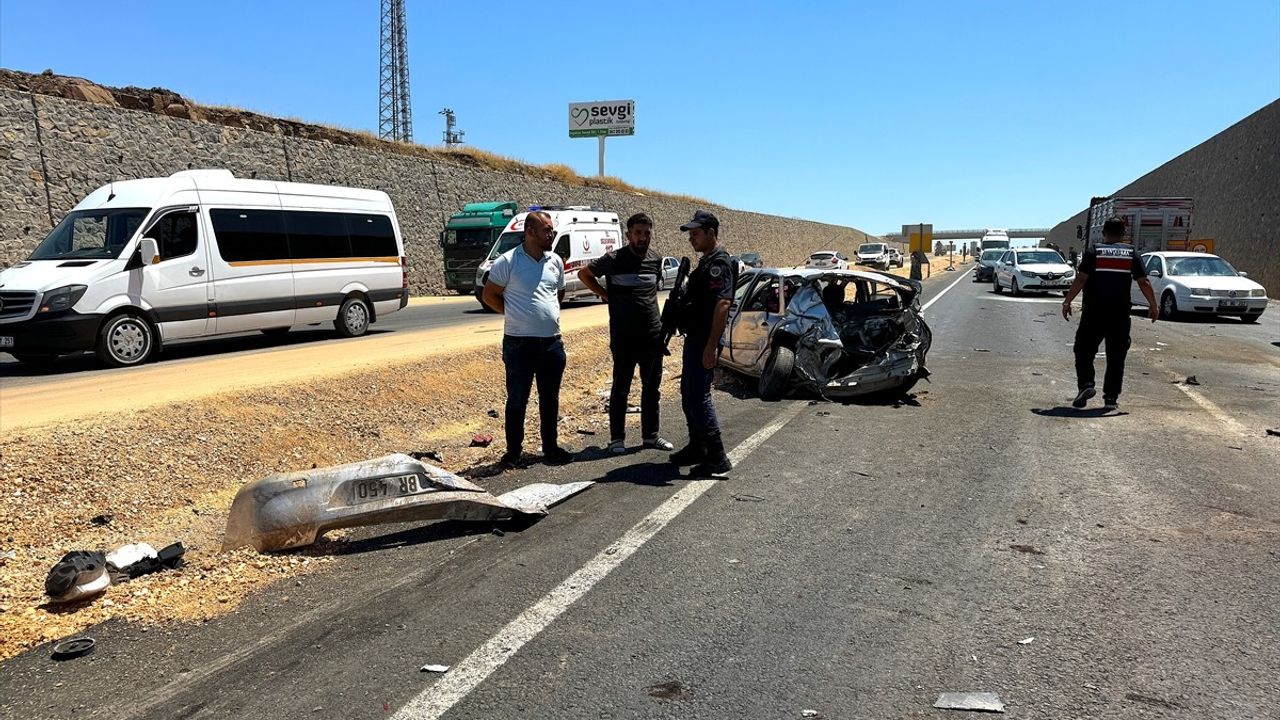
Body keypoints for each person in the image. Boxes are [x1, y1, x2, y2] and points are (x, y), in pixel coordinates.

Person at [482, 211, 573, 465]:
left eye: (552, 229)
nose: (551, 234)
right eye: (547, 230)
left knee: (550, 398)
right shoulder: (507, 261)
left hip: (552, 343)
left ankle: (551, 448)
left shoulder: (555, 261)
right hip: (519, 344)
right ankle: (513, 452)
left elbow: (559, 294)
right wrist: (515, 314)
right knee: (518, 399)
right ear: (530, 232)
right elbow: (489, 295)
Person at [578, 212, 674, 454]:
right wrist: (605, 295)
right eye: (638, 233)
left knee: (652, 386)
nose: (643, 238)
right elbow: (584, 274)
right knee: (621, 387)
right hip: (623, 335)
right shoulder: (613, 259)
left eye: (647, 233)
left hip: (652, 334)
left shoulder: (655, 259)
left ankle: (651, 437)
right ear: (628, 234)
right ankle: (616, 439)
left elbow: (651, 292)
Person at [1060, 217, 1158, 412]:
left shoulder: (1094, 251)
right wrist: (1153, 305)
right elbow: (1144, 282)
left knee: (1083, 350)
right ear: (1123, 234)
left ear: (1104, 232)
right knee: (1116, 356)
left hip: (1094, 312)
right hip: (1120, 314)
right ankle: (1111, 398)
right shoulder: (1131, 254)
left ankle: (1086, 384)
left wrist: (1067, 300)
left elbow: (1081, 279)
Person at [670, 210, 735, 476]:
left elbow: (723, 304)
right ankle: (697, 446)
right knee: (688, 394)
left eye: (695, 234)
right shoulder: (706, 262)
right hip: (695, 337)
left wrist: (711, 345)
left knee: (699, 395)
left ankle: (717, 456)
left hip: (704, 339)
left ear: (711, 233)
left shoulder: (720, 263)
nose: (691, 240)